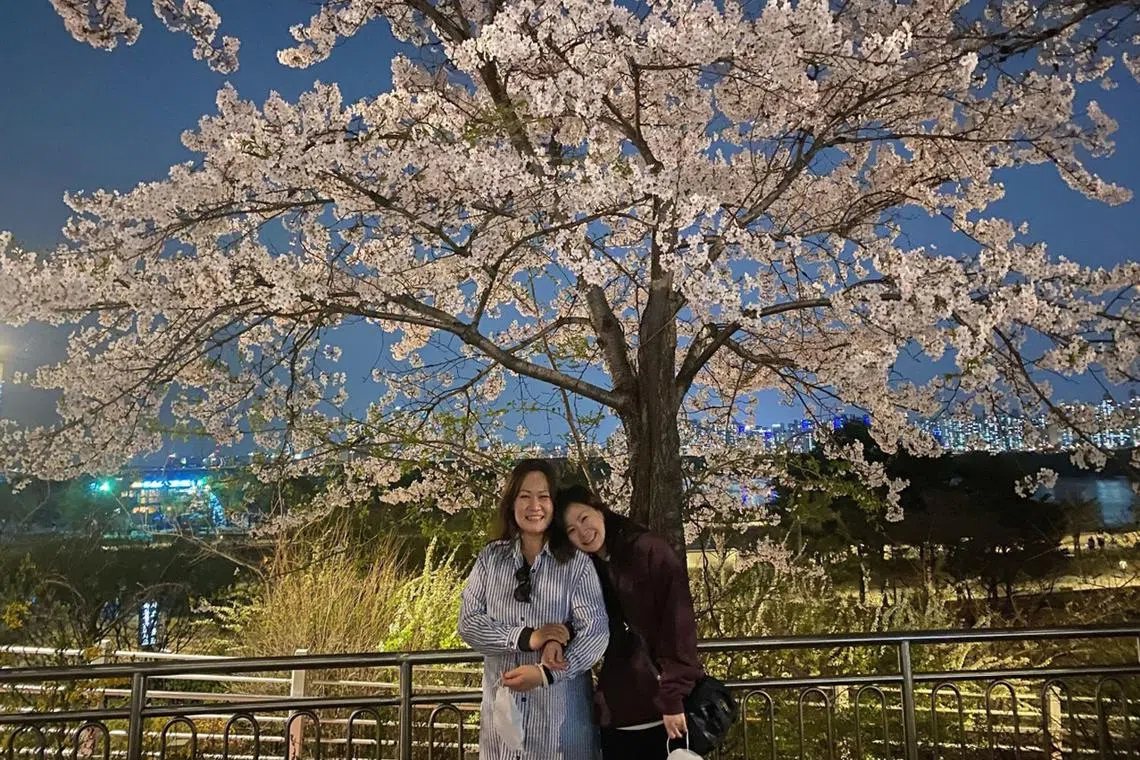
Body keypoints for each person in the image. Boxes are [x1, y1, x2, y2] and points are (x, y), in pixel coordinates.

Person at [459, 460, 610, 759]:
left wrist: (545, 674)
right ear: (512, 502)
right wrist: (528, 637)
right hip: (502, 728)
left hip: (560, 729)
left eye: (543, 496)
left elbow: (595, 632)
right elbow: (469, 623)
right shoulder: (491, 558)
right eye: (525, 496)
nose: (534, 505)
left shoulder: (575, 563)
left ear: (553, 504)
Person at [552, 484, 703, 760]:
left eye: (584, 519)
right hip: (617, 713)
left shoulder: (649, 551)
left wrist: (673, 696)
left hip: (661, 709)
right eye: (571, 530)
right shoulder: (585, 569)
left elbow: (678, 626)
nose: (583, 533)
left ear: (599, 509)